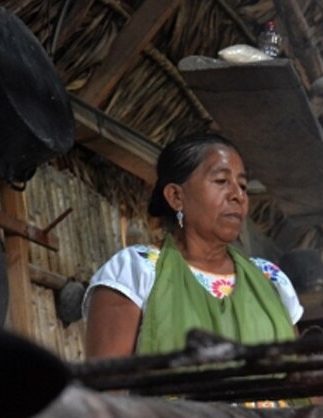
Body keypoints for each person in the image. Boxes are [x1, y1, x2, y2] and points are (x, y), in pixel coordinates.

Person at [83, 132, 302, 358]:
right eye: (221, 181)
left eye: (243, 185)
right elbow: (105, 388)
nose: (238, 195)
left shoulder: (271, 280)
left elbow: (301, 377)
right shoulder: (135, 272)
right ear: (176, 196)